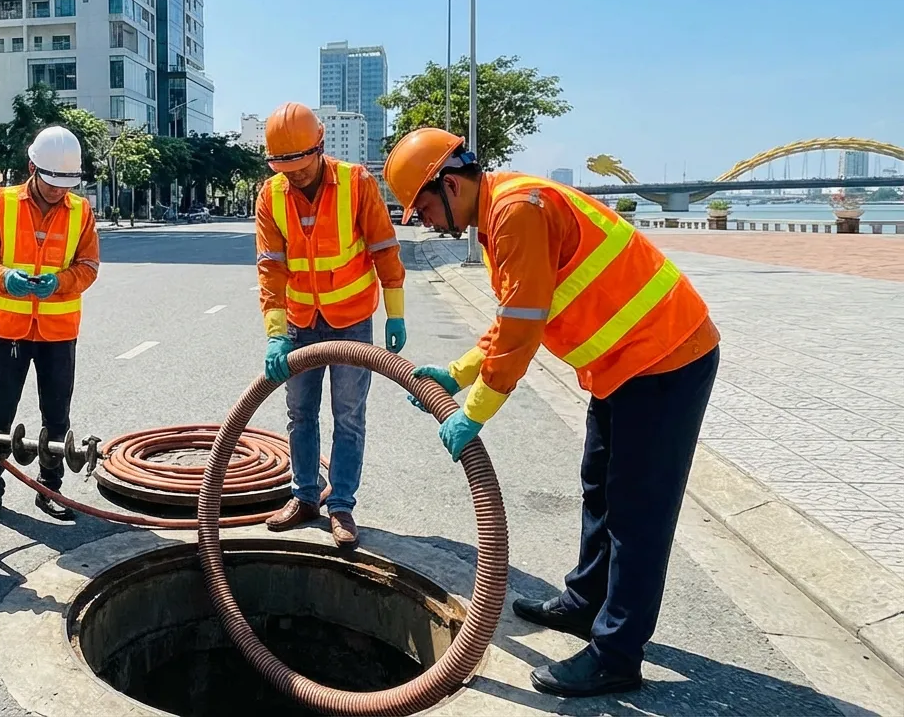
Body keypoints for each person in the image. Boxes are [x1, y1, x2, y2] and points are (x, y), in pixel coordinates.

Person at [386, 127, 721, 697]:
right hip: (624, 365)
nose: (427, 222)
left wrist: (474, 411)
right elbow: (516, 314)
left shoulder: (518, 211)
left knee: (637, 514)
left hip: (665, 357)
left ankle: (616, 654)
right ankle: (586, 602)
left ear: (450, 186)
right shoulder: (499, 215)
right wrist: (459, 372)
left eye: (424, 209)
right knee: (600, 487)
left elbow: (522, 328)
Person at [255, 102, 408, 549]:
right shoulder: (271, 195)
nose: (295, 176)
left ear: (320, 148)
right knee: (300, 413)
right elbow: (271, 269)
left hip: (351, 321)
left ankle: (340, 504)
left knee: (349, 415)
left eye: (301, 167)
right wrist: (276, 335)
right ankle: (304, 496)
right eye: (285, 169)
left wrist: (395, 311)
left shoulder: (356, 183)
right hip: (300, 322)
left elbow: (384, 248)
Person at [0, 125, 101, 527]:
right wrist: (4, 276)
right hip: (9, 329)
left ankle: (50, 489)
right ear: (32, 168)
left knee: (56, 416)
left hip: (58, 332)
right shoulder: (1, 203)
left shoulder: (81, 211)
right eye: (52, 182)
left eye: (66, 184)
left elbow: (89, 266)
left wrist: (60, 282)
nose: (59, 191)